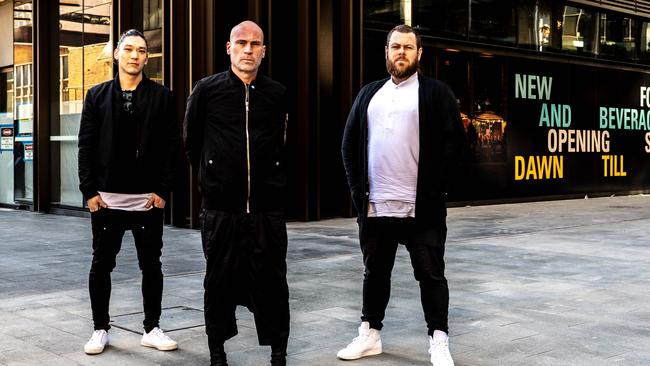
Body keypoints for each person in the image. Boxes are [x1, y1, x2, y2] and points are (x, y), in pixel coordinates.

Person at [339, 24, 464, 366]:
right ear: (387, 51)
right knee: (374, 274)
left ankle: (438, 341)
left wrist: (437, 192)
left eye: (409, 47)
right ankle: (370, 334)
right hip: (376, 207)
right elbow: (349, 146)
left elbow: (455, 147)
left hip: (421, 210)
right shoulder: (369, 94)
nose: (402, 52)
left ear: (419, 54)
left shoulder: (436, 93)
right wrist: (357, 195)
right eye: (396, 46)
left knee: (431, 275)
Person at [183, 20, 290, 366]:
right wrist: (214, 176)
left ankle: (278, 353)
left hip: (266, 210)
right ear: (228, 48)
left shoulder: (277, 94)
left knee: (273, 282)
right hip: (220, 211)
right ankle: (217, 353)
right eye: (241, 42)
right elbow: (191, 143)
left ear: (263, 51)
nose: (248, 49)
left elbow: (284, 146)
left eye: (255, 44)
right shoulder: (206, 90)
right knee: (218, 283)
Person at [78, 29, 179, 355]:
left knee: (152, 265)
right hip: (106, 200)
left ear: (146, 58)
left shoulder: (162, 96)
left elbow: (171, 146)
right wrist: (89, 191)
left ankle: (152, 328)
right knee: (101, 264)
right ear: (118, 54)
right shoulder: (96, 95)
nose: (135, 55)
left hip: (147, 201)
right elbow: (86, 145)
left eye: (141, 51)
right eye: (129, 49)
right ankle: (100, 329)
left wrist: (163, 189)